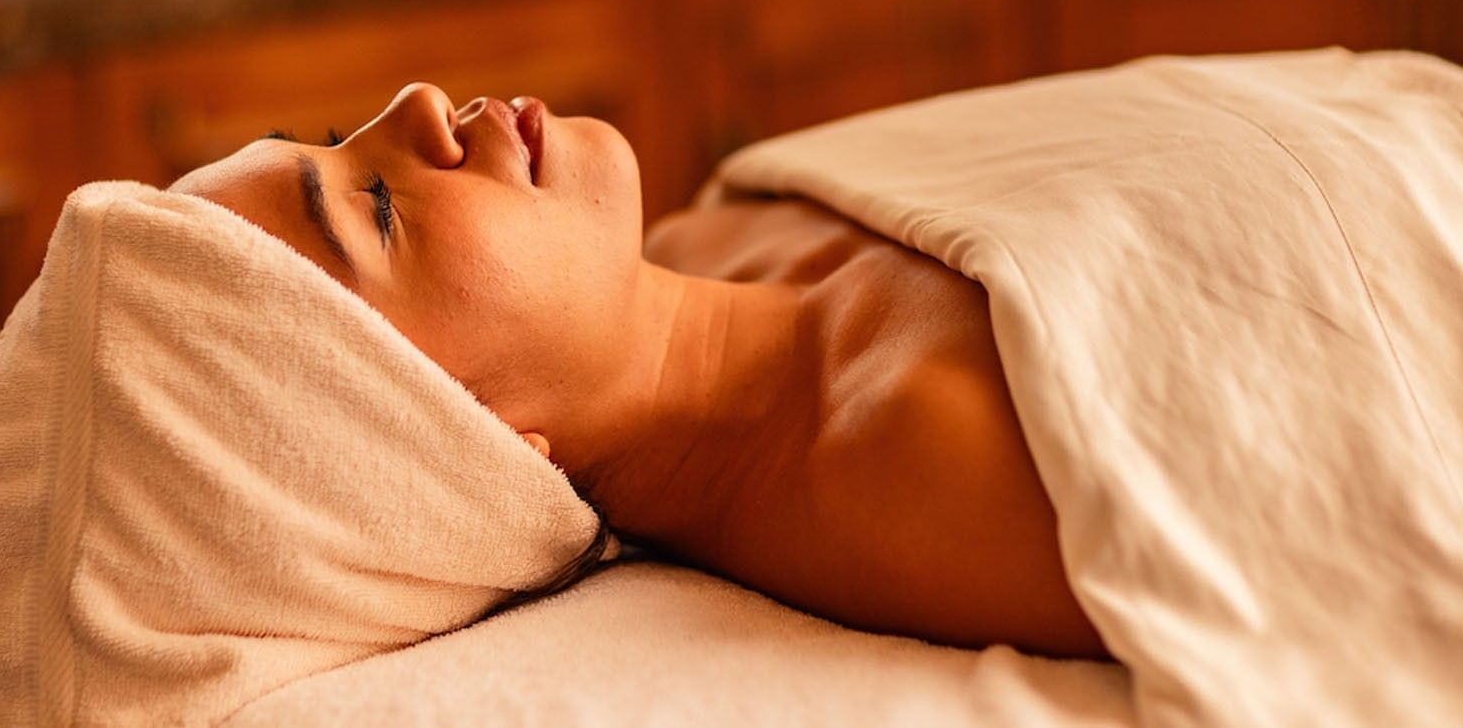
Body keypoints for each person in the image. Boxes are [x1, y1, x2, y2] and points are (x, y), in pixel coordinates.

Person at [169, 81, 1109, 659]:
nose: (416, 101)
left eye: (336, 138)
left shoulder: (717, 231)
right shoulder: (920, 455)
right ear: (465, 444)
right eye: (376, 207)